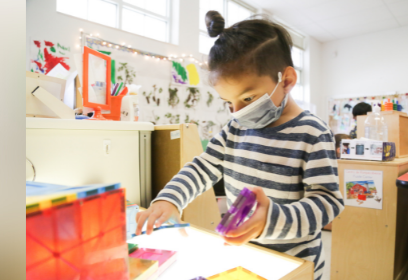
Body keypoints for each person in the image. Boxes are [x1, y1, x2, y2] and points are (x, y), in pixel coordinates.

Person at [136, 11, 343, 279]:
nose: (237, 112)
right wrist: (170, 199)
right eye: (228, 102)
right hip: (245, 256)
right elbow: (203, 167)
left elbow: (327, 202)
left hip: (293, 264)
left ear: (287, 80)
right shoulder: (236, 128)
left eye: (247, 98)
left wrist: (271, 219)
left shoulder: (312, 133)